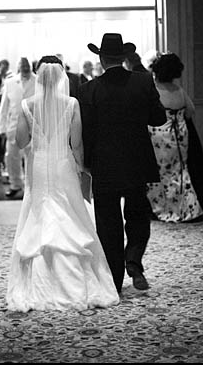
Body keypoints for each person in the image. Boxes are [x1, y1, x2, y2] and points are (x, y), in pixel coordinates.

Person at [6, 56, 120, 312]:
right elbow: (77, 143)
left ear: (38, 76)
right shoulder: (71, 103)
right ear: (61, 78)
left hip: (39, 164)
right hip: (62, 165)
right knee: (69, 210)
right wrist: (82, 168)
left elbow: (21, 141)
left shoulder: (27, 104)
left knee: (40, 211)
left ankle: (39, 282)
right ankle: (77, 281)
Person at [78, 33, 166, 293]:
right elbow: (159, 118)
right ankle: (134, 263)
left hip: (104, 164)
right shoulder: (142, 81)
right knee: (138, 215)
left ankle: (114, 280)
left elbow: (87, 133)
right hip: (136, 162)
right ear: (124, 57)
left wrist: (86, 164)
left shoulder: (88, 90)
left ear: (102, 59)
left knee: (108, 223)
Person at [147, 53, 203, 223]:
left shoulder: (154, 90)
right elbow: (190, 111)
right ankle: (188, 208)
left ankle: (161, 208)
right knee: (180, 170)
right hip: (180, 132)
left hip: (158, 133)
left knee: (159, 173)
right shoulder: (179, 91)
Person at [0, 57, 35, 198]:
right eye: (23, 65)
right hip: (13, 127)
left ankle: (30, 187)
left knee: (31, 158)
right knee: (11, 158)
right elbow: (4, 108)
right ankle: (15, 185)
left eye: (28, 65)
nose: (26, 68)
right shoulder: (10, 82)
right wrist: (2, 128)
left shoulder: (38, 81)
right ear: (18, 66)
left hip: (33, 127)